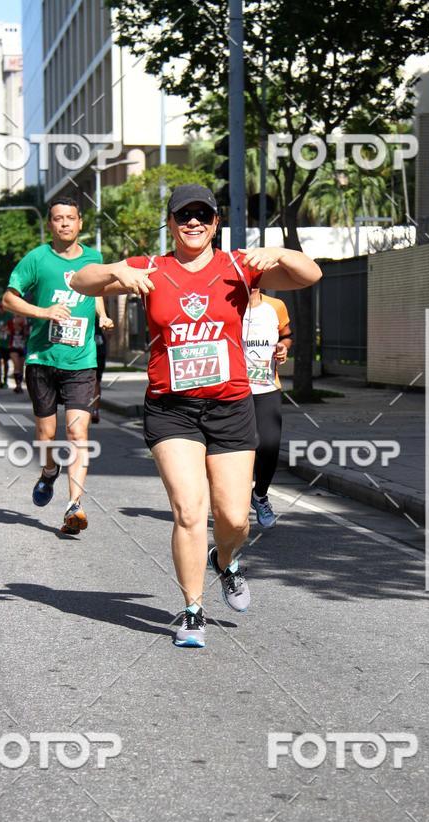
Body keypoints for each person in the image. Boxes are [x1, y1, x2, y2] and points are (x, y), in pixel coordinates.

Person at [71, 183, 322, 648]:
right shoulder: (152, 267)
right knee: (189, 510)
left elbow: (310, 275)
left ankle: (224, 561)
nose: (193, 222)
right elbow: (80, 282)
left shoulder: (238, 266)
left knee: (235, 518)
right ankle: (192, 609)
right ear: (170, 222)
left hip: (231, 406)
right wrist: (116, 270)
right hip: (171, 409)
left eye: (202, 215)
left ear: (215, 222)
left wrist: (278, 252)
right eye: (183, 215)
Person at [1, 196, 113, 534]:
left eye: (70, 218)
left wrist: (103, 315)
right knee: (47, 434)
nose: (64, 223)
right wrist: (43, 311)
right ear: (50, 224)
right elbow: (8, 299)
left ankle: (74, 505)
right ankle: (50, 470)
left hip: (81, 360)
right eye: (58, 218)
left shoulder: (94, 258)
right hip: (42, 359)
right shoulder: (37, 259)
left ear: (80, 223)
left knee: (78, 432)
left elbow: (96, 290)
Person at [243, 288, 293, 528]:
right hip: (235, 391)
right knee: (240, 449)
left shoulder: (276, 306)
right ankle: (234, 503)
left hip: (267, 387)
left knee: (270, 446)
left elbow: (287, 335)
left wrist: (283, 346)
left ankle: (260, 495)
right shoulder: (227, 307)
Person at [91, 310, 109, 424]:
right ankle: (94, 410)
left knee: (92, 381)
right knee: (96, 382)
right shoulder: (101, 310)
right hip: (99, 347)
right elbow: (108, 330)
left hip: (90, 349)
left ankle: (92, 410)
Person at [0, 300, 13, 388]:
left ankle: (5, 379)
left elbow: (11, 327)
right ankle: (0, 379)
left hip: (6, 342)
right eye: (0, 308)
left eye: (3, 307)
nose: (1, 309)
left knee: (6, 361)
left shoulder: (9, 316)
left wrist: (7, 329)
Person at [9, 314, 30, 393]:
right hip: (13, 346)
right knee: (16, 365)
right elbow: (8, 331)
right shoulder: (11, 322)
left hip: (23, 347)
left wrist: (24, 326)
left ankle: (20, 384)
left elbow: (27, 334)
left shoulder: (26, 324)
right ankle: (17, 385)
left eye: (20, 316)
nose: (18, 318)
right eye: (17, 316)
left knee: (21, 367)